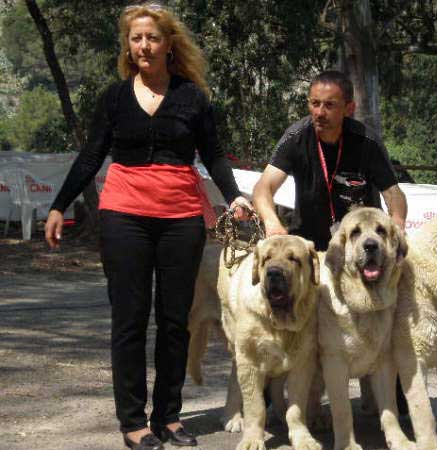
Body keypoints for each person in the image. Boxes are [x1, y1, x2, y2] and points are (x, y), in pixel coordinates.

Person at [44, 3, 252, 450]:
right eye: (136, 38)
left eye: (152, 38)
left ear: (168, 43)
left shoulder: (192, 97)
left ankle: (169, 417)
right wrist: (60, 205)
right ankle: (134, 421)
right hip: (125, 217)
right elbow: (90, 156)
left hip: (181, 219)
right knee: (130, 321)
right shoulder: (115, 98)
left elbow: (213, 155)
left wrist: (233, 193)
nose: (143, 46)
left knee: (176, 322)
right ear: (128, 45)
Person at [253, 70, 407, 251]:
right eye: (315, 103)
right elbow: (263, 187)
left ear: (349, 108)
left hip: (359, 245)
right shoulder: (295, 137)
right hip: (310, 245)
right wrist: (272, 222)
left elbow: (393, 194)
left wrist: (397, 224)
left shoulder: (368, 141)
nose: (319, 112)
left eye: (329, 105)